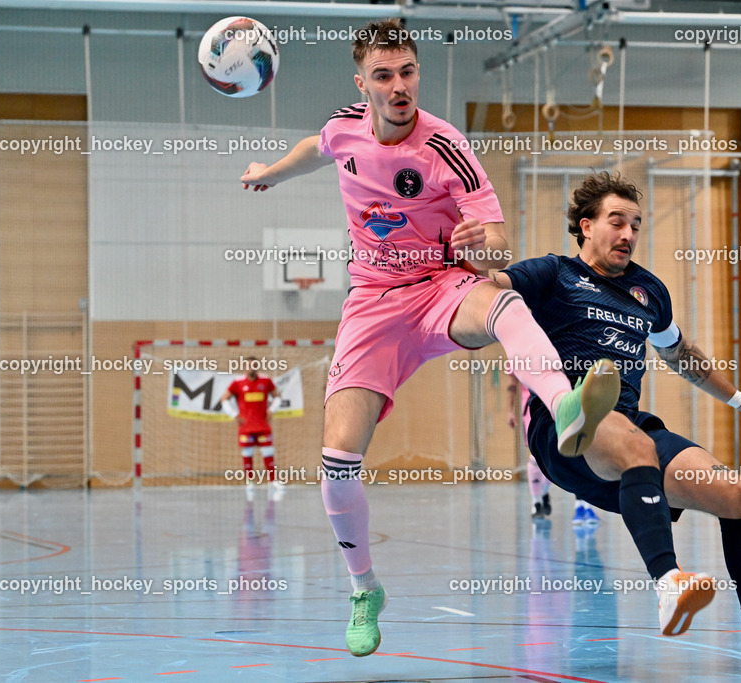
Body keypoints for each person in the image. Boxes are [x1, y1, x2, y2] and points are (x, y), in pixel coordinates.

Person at [238, 18, 620, 657]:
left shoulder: (447, 147)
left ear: (418, 73)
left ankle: (565, 406)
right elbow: (316, 145)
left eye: (408, 72)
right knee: (336, 461)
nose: (398, 87)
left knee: (504, 300)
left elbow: (497, 236)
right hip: (371, 306)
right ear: (363, 83)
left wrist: (483, 243)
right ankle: (364, 588)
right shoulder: (345, 128)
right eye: (383, 76)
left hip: (441, 286)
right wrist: (272, 172)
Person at [492, 171, 741, 675]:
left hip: (627, 421)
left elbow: (680, 352)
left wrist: (737, 398)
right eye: (616, 222)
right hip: (563, 425)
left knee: (737, 495)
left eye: (636, 225)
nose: (628, 234)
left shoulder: (648, 290)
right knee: (632, 445)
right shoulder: (552, 274)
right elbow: (487, 288)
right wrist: (470, 252)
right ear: (586, 226)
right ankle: (669, 584)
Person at [505, 375, 599, 525]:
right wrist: (509, 411)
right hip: (532, 409)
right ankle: (536, 502)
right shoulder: (520, 355)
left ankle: (580, 505)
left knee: (564, 450)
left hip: (560, 404)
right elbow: (512, 383)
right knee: (537, 456)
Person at [219, 370, 284, 501]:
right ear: (245, 367)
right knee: (247, 454)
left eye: (254, 365)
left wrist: (271, 410)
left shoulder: (266, 381)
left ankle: (273, 481)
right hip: (246, 426)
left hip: (262, 425)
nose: (251, 368)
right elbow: (224, 399)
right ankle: (249, 482)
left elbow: (277, 396)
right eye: (248, 365)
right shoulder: (238, 382)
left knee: (268, 452)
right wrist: (233, 414)